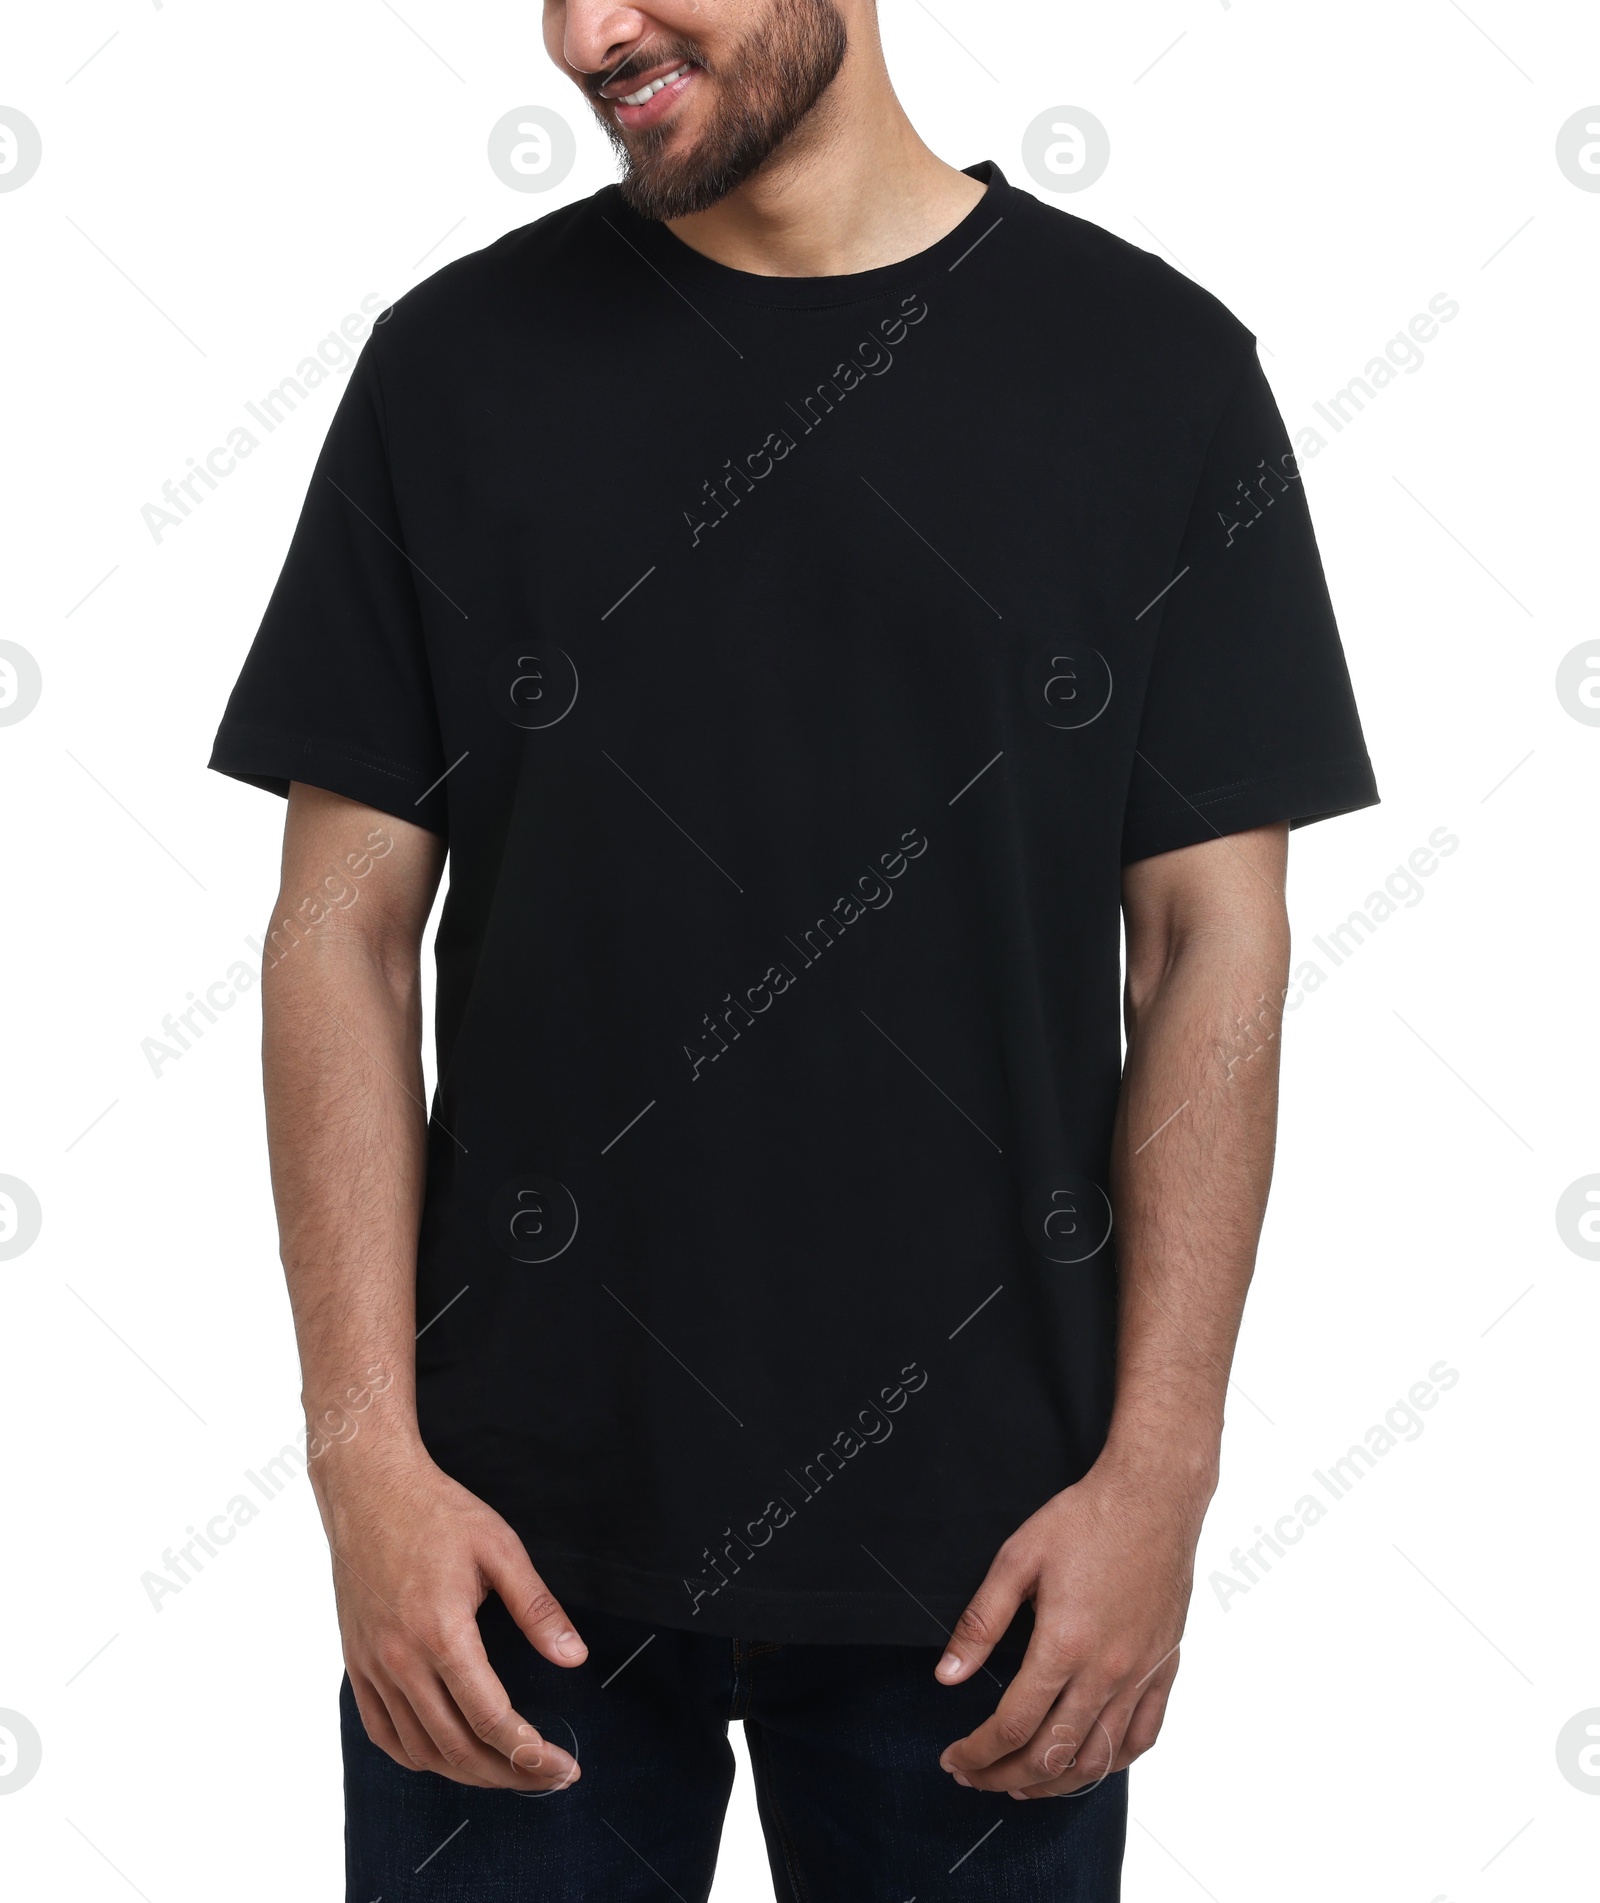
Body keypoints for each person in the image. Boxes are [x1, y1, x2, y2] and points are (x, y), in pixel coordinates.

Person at [209, 0, 1378, 1895]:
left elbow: (1208, 951)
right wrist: (363, 1463)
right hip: (508, 1551)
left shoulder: (1153, 373)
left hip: (1000, 1563)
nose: (591, 32)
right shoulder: (455, 370)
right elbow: (335, 936)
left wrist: (1161, 1478)